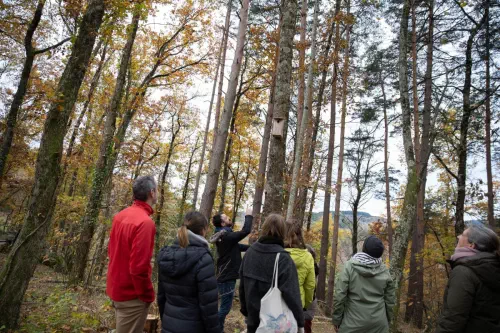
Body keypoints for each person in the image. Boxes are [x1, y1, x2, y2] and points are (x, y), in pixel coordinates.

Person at [106, 176, 158, 333]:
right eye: (157, 190)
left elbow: (111, 251)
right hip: (132, 295)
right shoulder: (145, 223)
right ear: (152, 192)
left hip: (116, 288)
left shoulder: (120, 215)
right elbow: (138, 267)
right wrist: (147, 294)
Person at [239, 214, 305, 333]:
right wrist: (300, 323)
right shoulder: (284, 259)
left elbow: (242, 286)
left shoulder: (249, 252)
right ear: (283, 232)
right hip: (274, 325)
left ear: (264, 229)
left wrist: (245, 312)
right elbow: (293, 295)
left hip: (253, 321)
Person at [157, 211, 220, 333]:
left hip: (169, 325)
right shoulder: (203, 259)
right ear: (203, 230)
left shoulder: (165, 255)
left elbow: (161, 297)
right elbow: (208, 306)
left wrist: (166, 322)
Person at [436, 224, 500, 333]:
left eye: (463, 235)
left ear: (471, 245)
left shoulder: (464, 271)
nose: (458, 237)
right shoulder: (494, 267)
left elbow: (453, 318)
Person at [333, 235, 395, 333]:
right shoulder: (384, 270)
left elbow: (340, 295)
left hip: (352, 323)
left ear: (364, 248)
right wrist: (388, 320)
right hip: (379, 324)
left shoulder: (350, 266)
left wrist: (337, 320)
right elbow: (390, 300)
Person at [210, 208, 253, 332]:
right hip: (226, 277)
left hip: (226, 276)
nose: (229, 218)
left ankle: (218, 328)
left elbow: (237, 247)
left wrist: (253, 248)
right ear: (223, 223)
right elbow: (246, 230)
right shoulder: (226, 236)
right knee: (225, 308)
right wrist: (248, 216)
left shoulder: (223, 235)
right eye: (226, 218)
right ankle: (216, 329)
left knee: (224, 306)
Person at [284, 221, 315, 331]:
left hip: (276, 303)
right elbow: (310, 286)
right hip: (297, 303)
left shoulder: (276, 253)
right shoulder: (307, 256)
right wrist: (305, 305)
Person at [303, 244, 319, 333]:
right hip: (310, 300)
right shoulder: (315, 267)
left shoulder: (313, 268)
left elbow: (311, 287)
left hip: (307, 300)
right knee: (307, 325)